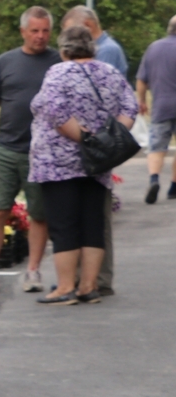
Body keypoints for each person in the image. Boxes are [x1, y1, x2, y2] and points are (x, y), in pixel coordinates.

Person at [28, 25, 137, 306]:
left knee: (64, 225)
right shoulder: (110, 73)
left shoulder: (58, 72)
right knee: (92, 224)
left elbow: (55, 111)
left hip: (58, 164)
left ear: (64, 50)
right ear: (92, 47)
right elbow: (130, 106)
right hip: (98, 164)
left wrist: (85, 138)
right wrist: (107, 140)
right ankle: (89, 287)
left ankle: (65, 287)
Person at [0, 7, 59, 295]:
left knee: (39, 214)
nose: (40, 36)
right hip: (5, 150)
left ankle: (33, 271)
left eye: (45, 30)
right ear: (23, 31)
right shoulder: (6, 61)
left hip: (40, 152)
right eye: (34, 30)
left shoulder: (57, 62)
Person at [58, 7, 123, 293]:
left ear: (87, 26)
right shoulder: (108, 50)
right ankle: (91, 279)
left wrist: (98, 138)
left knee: (95, 219)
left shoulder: (104, 54)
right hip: (97, 149)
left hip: (90, 149)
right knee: (94, 217)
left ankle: (94, 279)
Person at [137, 16, 176, 203]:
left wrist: (141, 100)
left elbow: (142, 78)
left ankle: (154, 179)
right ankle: (174, 187)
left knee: (157, 147)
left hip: (161, 106)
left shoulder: (154, 48)